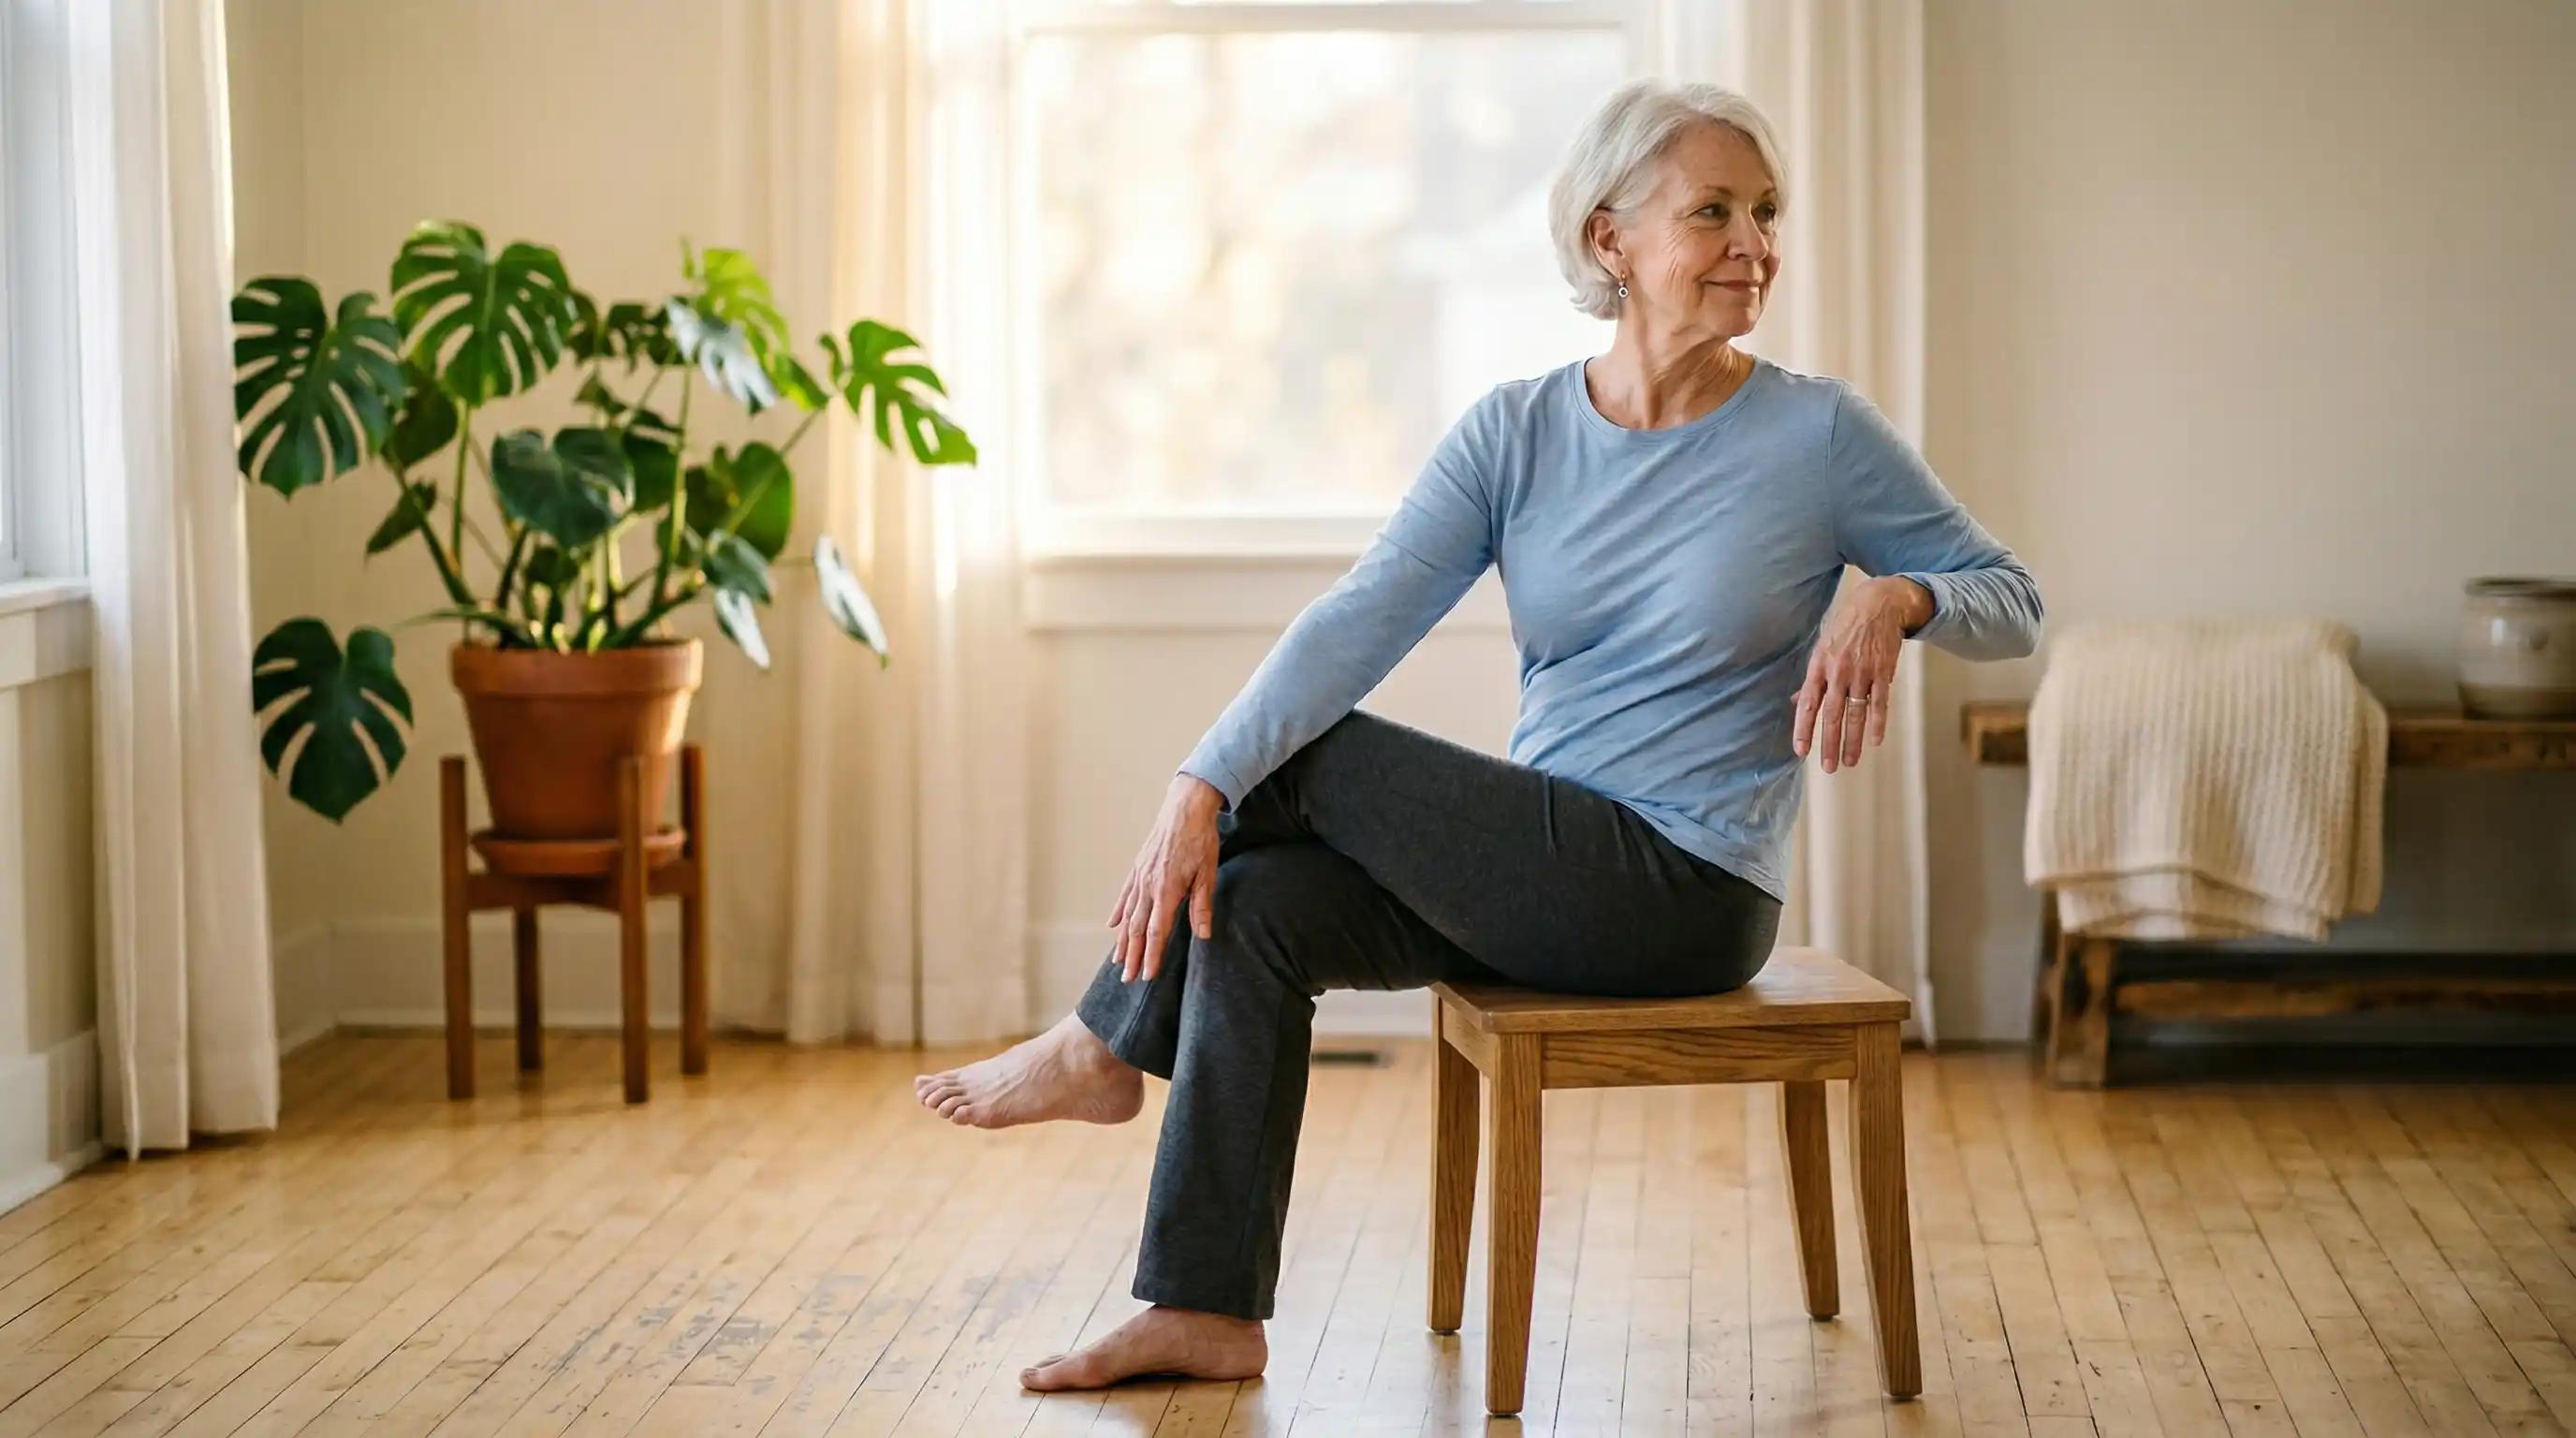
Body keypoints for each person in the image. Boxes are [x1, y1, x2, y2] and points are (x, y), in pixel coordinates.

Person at [915, 78, 2042, 1393]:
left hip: (1689, 892)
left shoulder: (1820, 436)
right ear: (1610, 242)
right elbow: (1357, 621)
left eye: (1768, 213)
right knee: (1260, 903)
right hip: (1543, 870)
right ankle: (1205, 1307)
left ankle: (1100, 1045)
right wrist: (1198, 786)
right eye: (1716, 212)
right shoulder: (1515, 434)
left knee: (1315, 757)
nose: (1756, 245)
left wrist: (1900, 596)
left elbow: (2015, 604)